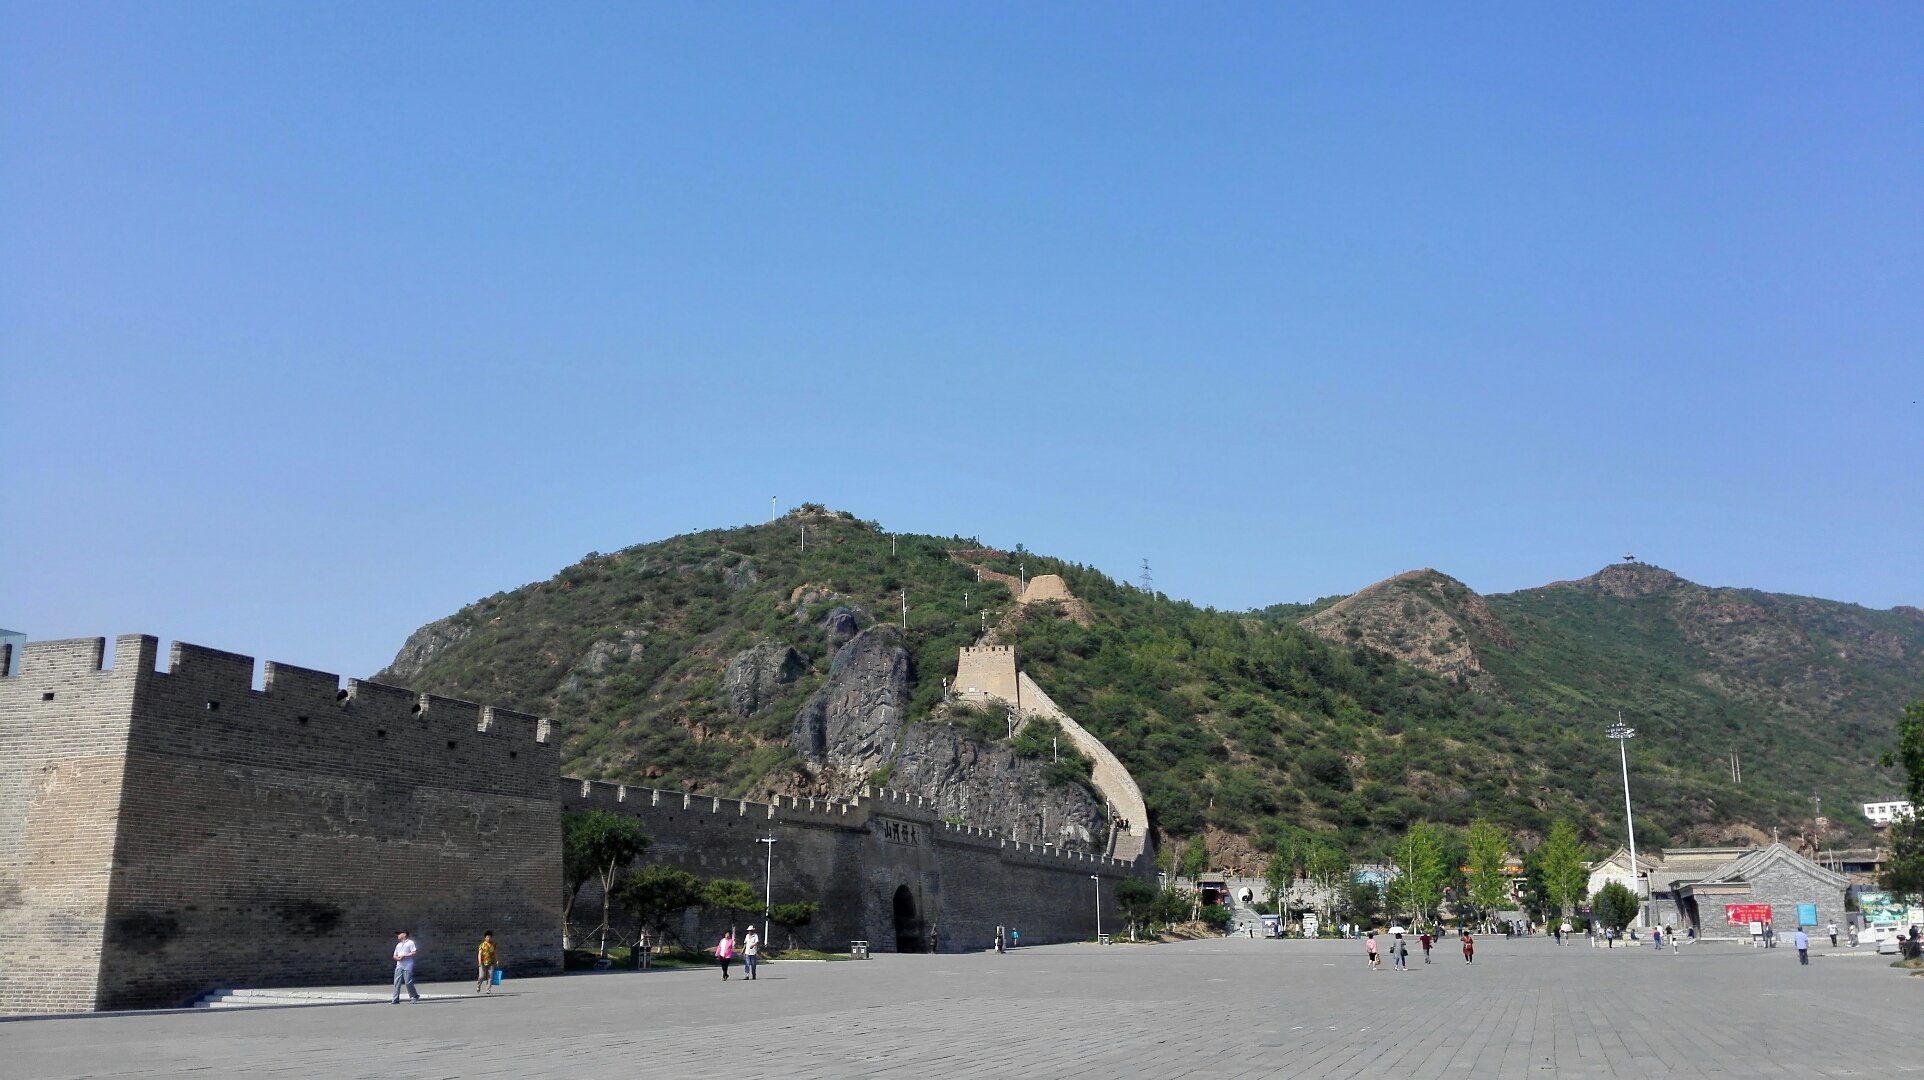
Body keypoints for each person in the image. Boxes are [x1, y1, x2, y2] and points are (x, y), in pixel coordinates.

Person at [391, 930, 420, 1004]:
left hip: (408, 965)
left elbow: (414, 952)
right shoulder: (398, 945)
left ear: (404, 934)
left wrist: (404, 956)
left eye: (399, 934)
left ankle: (414, 996)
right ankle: (395, 999)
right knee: (397, 982)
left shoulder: (410, 943)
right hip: (399, 965)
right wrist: (397, 958)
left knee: (408, 982)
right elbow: (394, 955)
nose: (398, 935)